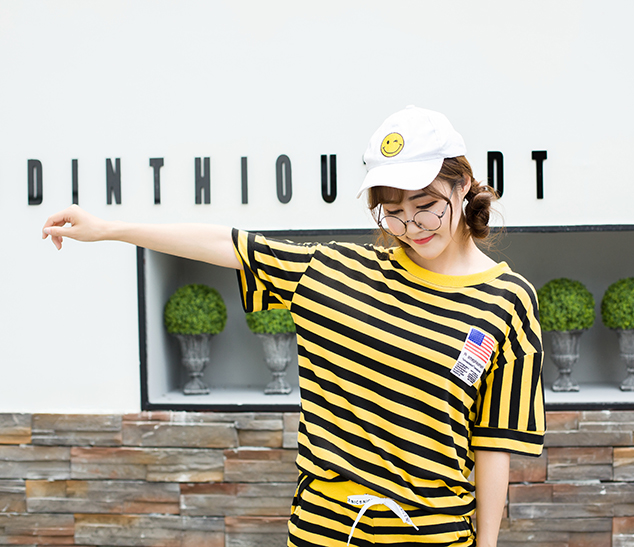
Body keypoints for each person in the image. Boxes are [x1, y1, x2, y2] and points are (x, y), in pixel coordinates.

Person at [43, 105, 545, 547]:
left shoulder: (509, 302)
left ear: (462, 184)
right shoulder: (336, 273)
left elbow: (494, 441)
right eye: (393, 213)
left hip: (433, 534)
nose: (411, 227)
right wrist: (108, 229)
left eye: (426, 208)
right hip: (325, 532)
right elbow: (231, 245)